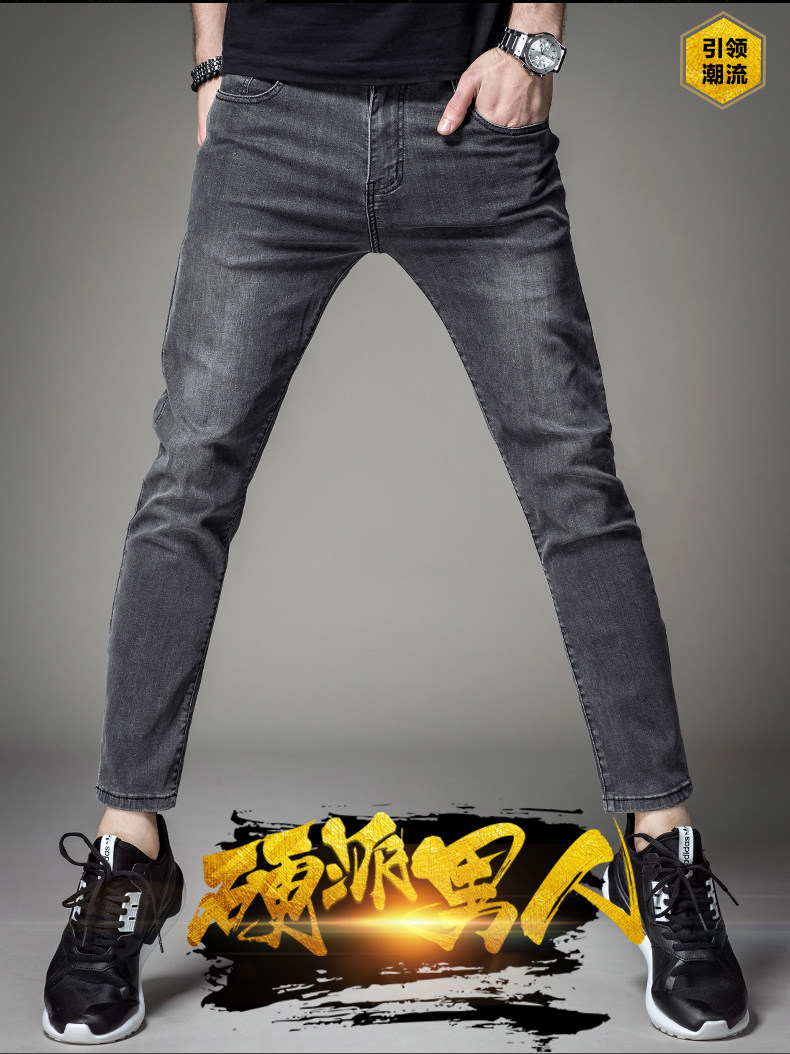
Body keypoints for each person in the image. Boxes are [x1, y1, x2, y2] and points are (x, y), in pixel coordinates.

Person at [42, 2, 749, 1045]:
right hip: (273, 118)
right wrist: (211, 68)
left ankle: (662, 851)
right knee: (188, 481)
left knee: (576, 485)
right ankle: (127, 853)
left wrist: (533, 40)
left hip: (470, 118)